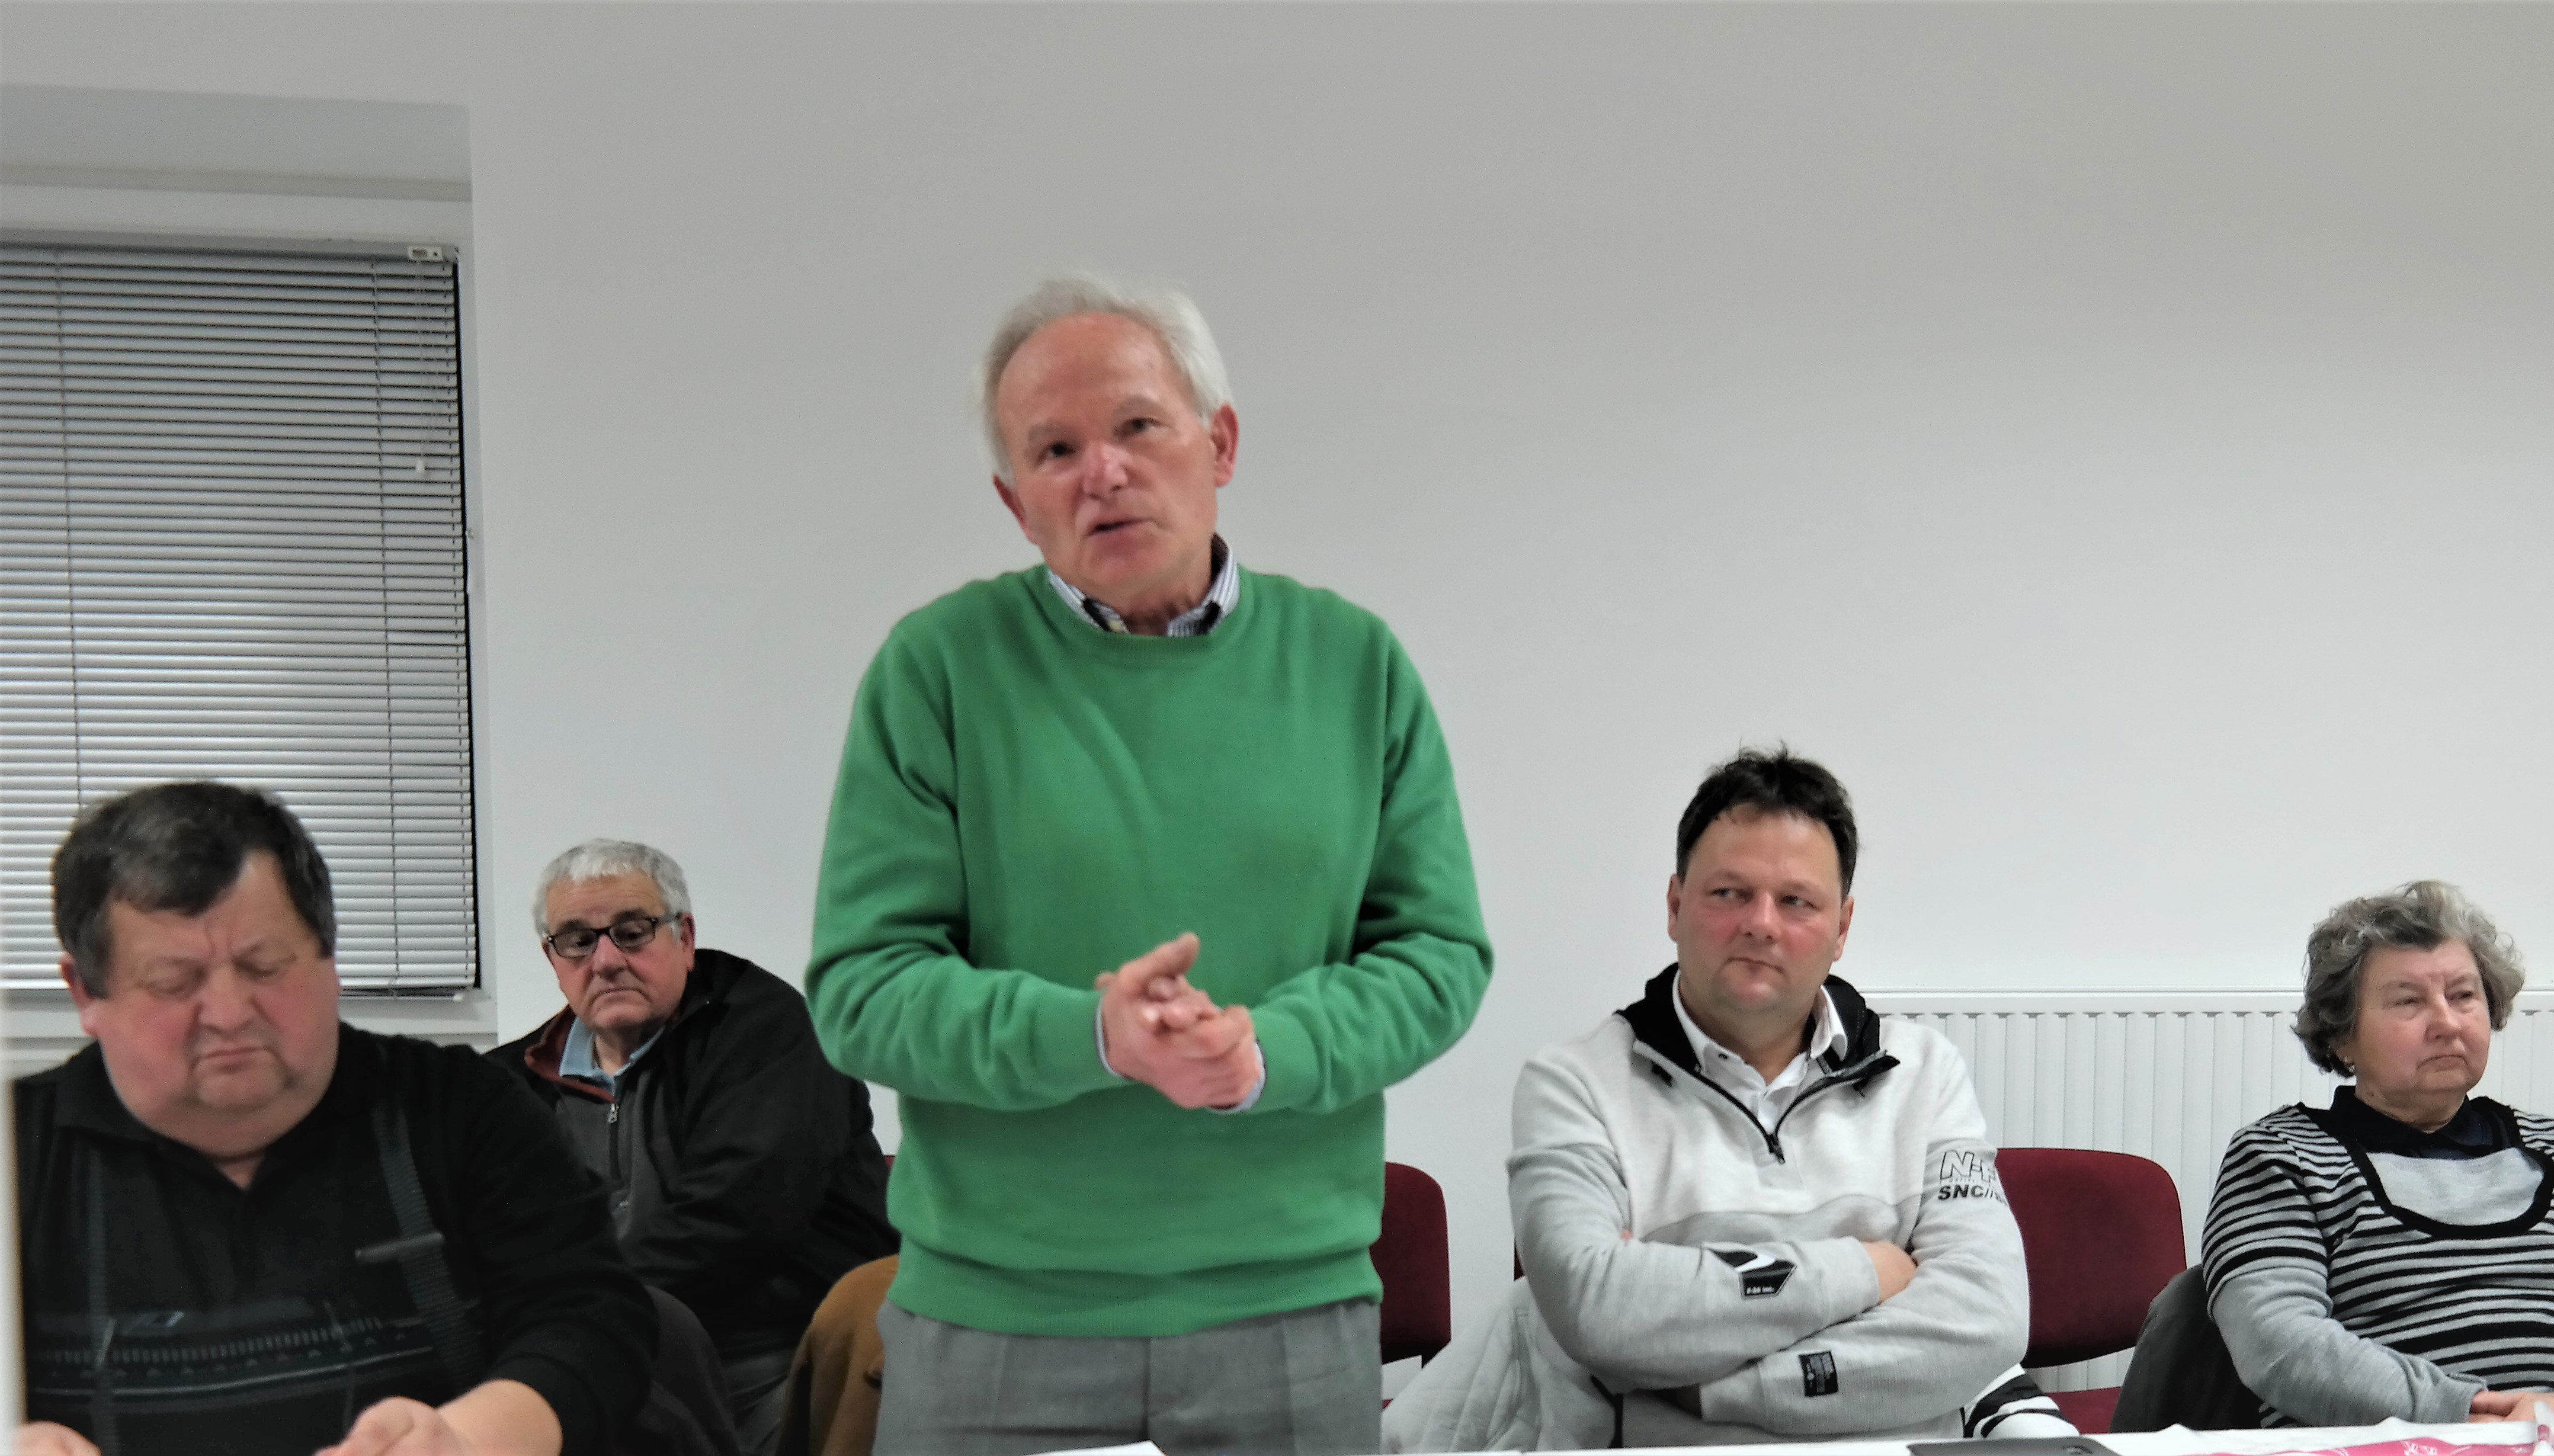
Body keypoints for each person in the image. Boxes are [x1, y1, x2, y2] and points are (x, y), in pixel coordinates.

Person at [806, 274, 1492, 1455]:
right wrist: (1096, 1037)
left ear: (1219, 443)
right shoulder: (936, 669)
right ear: (1016, 501)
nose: (1103, 471)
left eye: (1136, 425)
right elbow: (862, 991)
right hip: (994, 1322)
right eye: (1055, 449)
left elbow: (1438, 956)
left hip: (1291, 1311)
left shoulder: (1353, 663)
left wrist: (1265, 1051)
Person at [1387, 749, 2056, 1448]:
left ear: (1842, 928)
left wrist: (1722, 1381)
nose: (1761, 923)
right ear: (1675, 906)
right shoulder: (1573, 1085)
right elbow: (1597, 1307)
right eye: (1730, 893)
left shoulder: (1926, 1074)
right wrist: (1870, 1268)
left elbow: (1986, 1317)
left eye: (1796, 901)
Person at [14, 782, 655, 1456]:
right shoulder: (16, 1153)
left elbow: (594, 1321)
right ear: (85, 993)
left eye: (265, 965)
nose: (229, 1013)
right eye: (174, 981)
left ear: (330, 958)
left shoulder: (459, 1107)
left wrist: (467, 1439)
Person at [491, 839, 898, 1455]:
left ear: (684, 937)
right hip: (616, 1358)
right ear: (553, 958)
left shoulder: (770, 1032)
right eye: (577, 940)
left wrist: (576, 1309)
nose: (606, 960)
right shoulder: (508, 1084)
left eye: (632, 932)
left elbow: (736, 1221)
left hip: (783, 1363)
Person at [2201, 881, 2554, 1426]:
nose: (2447, 1023)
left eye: (2463, 996)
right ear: (2341, 1034)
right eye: (2408, 1001)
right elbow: (2278, 1342)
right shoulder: (2280, 1157)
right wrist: (2466, 1416)